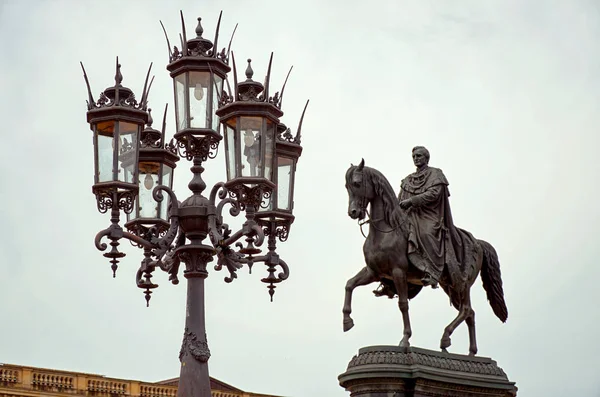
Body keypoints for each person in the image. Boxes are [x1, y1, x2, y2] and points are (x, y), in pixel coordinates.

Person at [398, 146, 462, 289]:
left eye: (419, 156)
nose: (416, 158)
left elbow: (434, 193)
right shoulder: (408, 180)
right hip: (410, 216)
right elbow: (399, 199)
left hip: (429, 215)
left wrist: (412, 201)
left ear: (426, 158)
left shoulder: (435, 174)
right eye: (414, 156)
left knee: (427, 233)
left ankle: (432, 272)